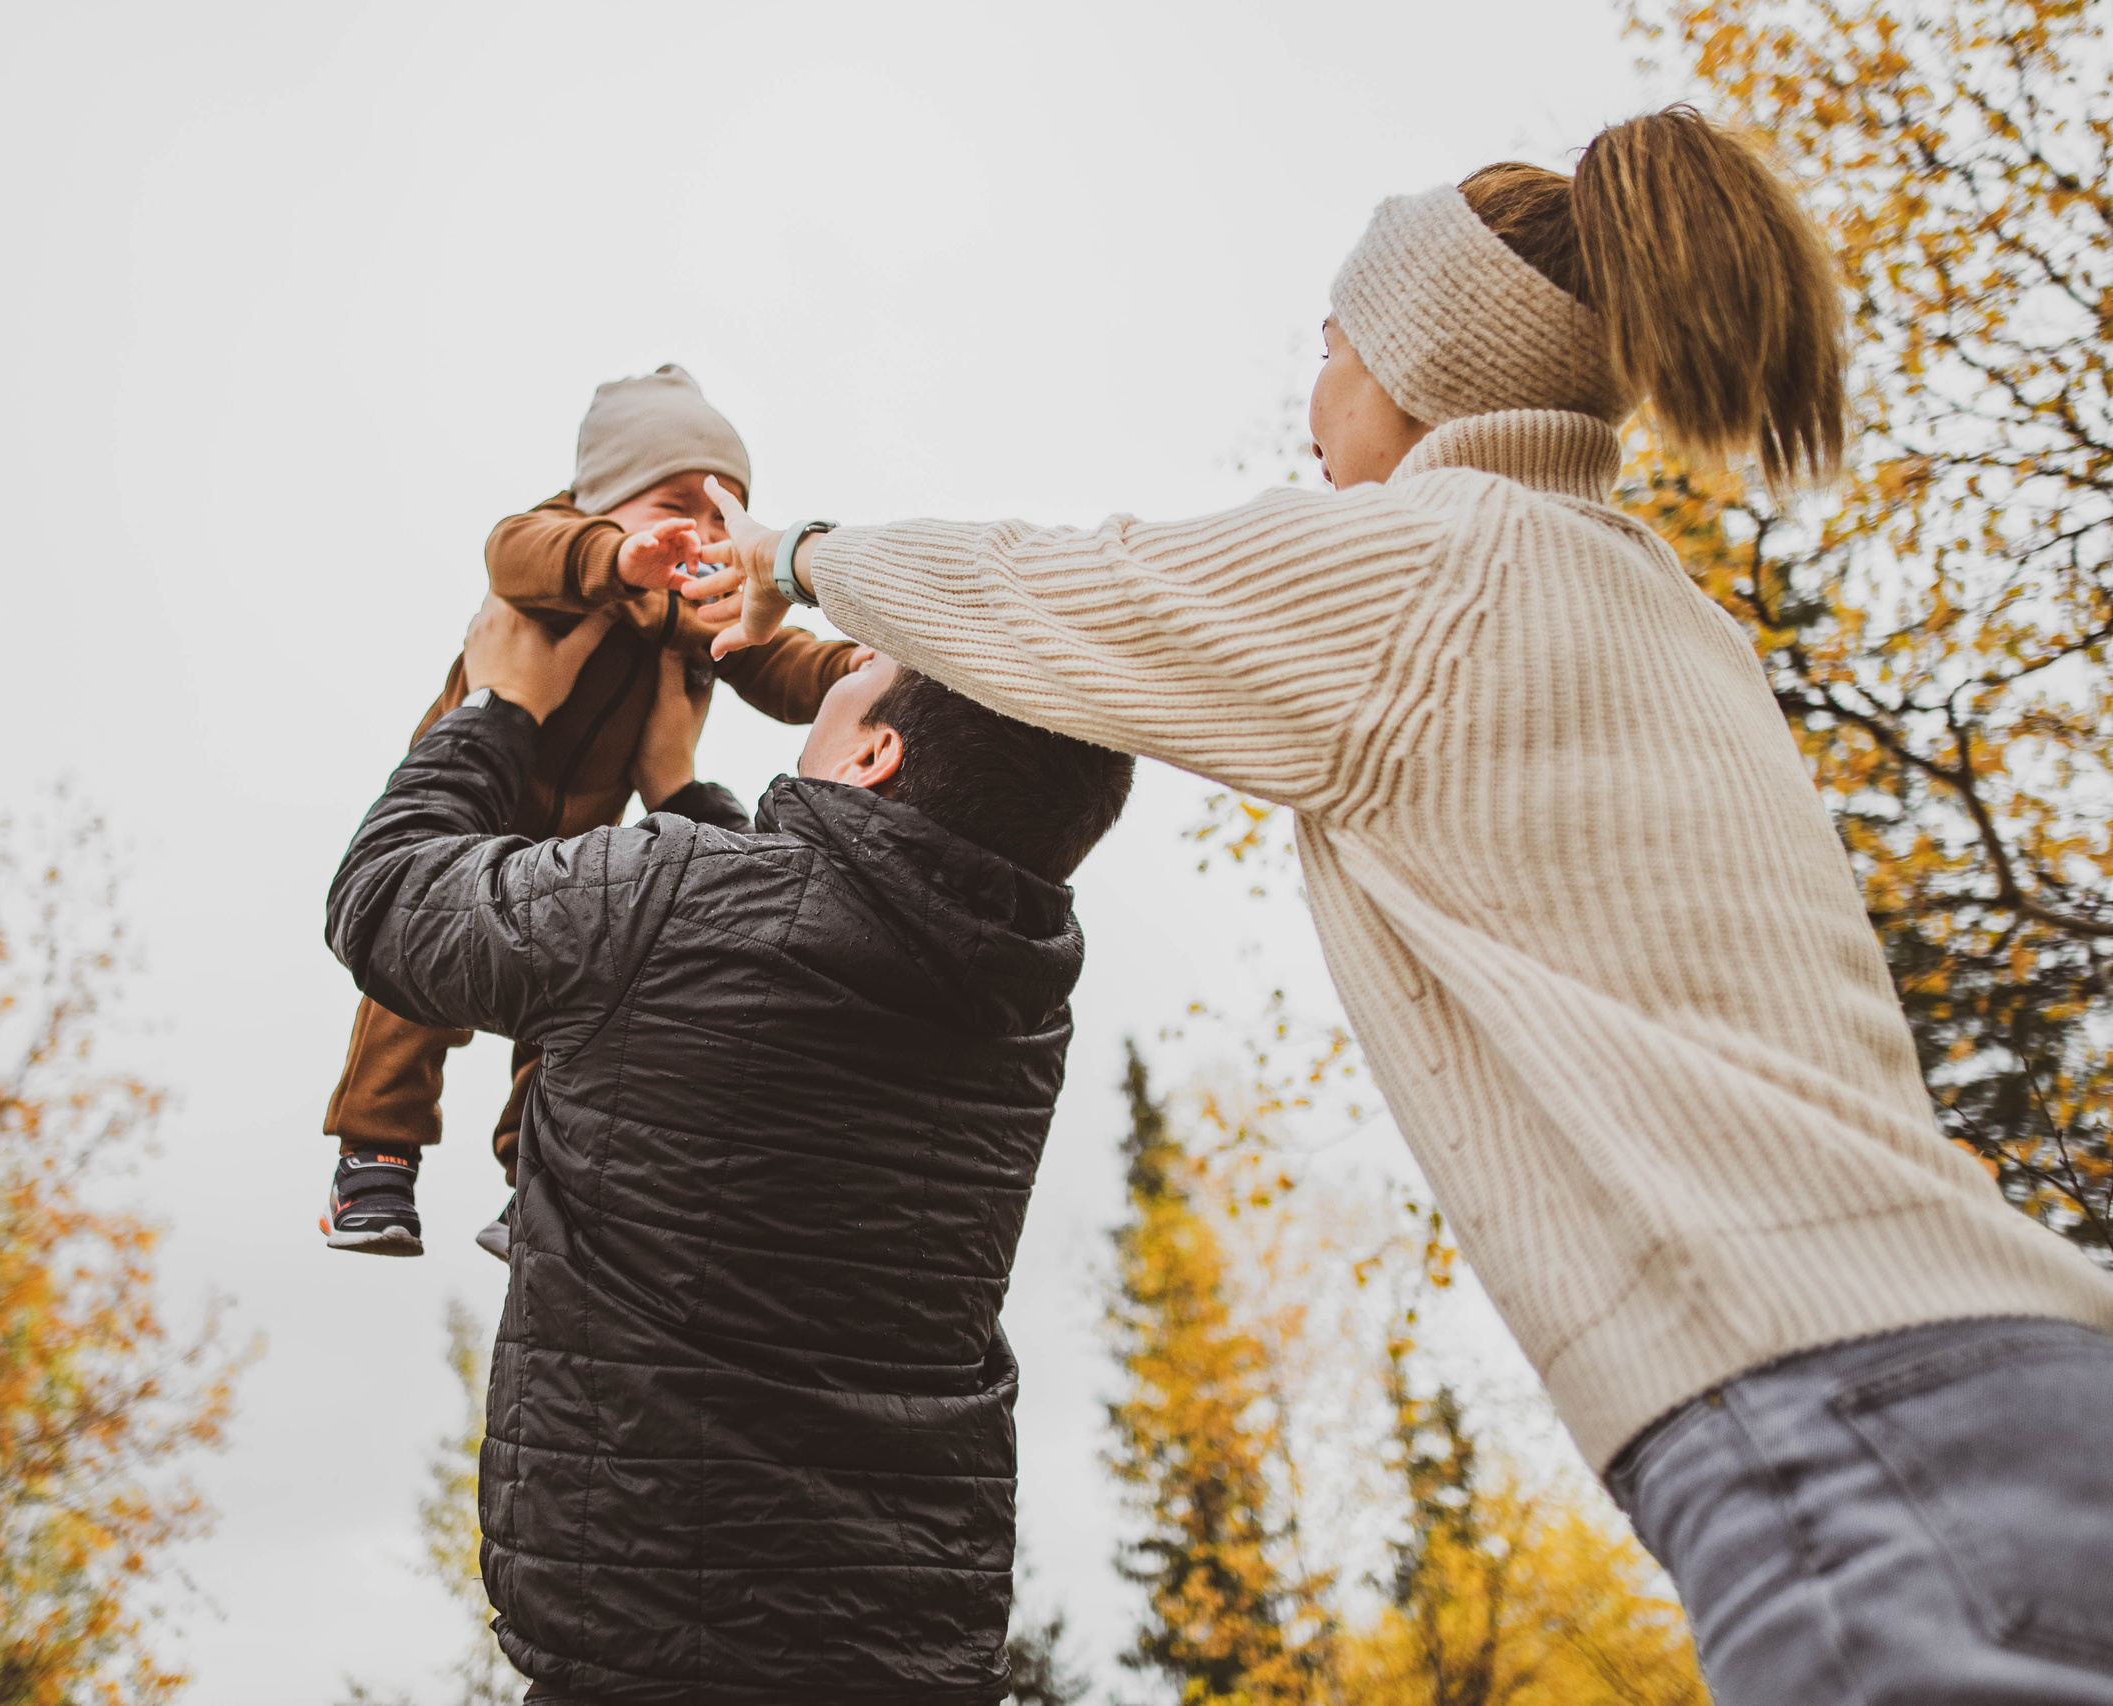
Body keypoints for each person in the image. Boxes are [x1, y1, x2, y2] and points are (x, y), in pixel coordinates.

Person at [680, 108, 2113, 1704]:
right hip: (2026, 1364)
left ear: (1422, 363)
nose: (1314, 402)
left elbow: (1057, 593)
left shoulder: (1428, 564)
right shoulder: (1655, 600)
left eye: (1330, 349)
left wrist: (796, 551)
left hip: (1834, 1407)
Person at [324, 592, 1133, 1703]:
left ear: (875, 754)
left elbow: (386, 900)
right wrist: (680, 786)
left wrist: (494, 712)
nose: (840, 671)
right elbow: (798, 930)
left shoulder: (668, 899)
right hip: (906, 1637)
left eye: (859, 674)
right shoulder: (1020, 1004)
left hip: (659, 1644)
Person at [318, 364, 864, 1260]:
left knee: (565, 1007)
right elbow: (513, 552)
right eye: (674, 504)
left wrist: (858, 670)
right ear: (601, 498)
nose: (700, 533)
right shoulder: (560, 545)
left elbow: (772, 657)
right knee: (415, 987)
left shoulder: (685, 603)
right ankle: (376, 1155)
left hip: (574, 846)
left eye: (722, 514)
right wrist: (614, 558)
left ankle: (530, 1177)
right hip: (472, 801)